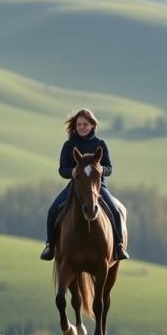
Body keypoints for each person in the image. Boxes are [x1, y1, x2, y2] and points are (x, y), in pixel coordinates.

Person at [39, 108, 128, 261]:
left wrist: (100, 170)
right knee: (53, 210)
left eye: (85, 124)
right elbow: (62, 169)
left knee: (114, 210)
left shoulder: (100, 144)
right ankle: (51, 246)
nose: (81, 127)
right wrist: (72, 172)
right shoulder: (69, 145)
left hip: (98, 186)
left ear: (92, 125)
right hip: (76, 187)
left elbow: (109, 168)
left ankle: (119, 246)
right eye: (79, 124)